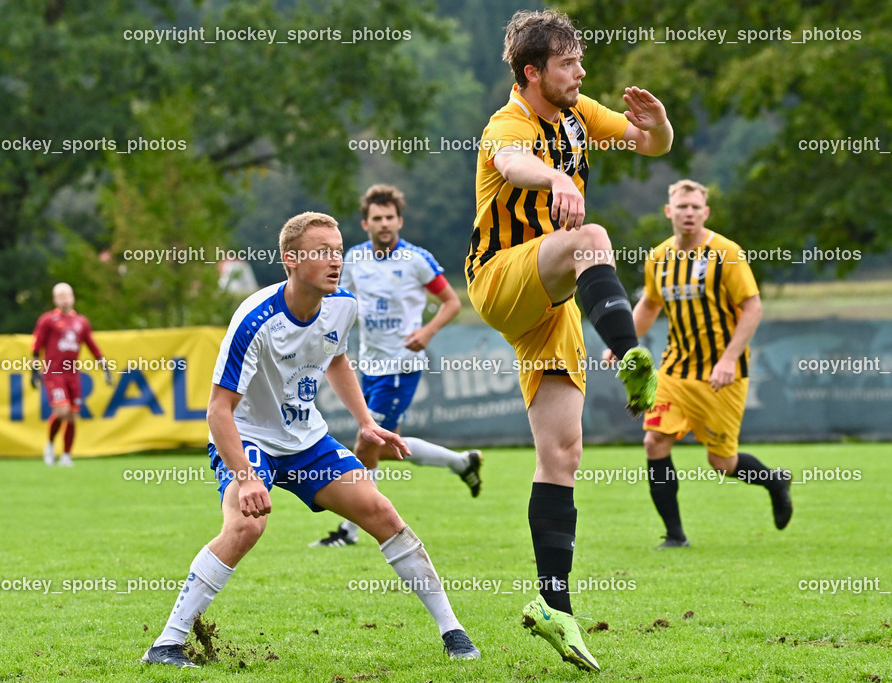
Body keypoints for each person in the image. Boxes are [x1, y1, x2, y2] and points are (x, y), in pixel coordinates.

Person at [142, 212, 480, 668]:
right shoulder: (254, 321)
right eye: (322, 251)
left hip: (306, 441)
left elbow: (336, 359)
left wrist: (363, 422)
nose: (335, 260)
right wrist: (246, 478)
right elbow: (217, 411)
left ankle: (454, 633)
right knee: (245, 526)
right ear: (291, 260)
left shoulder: (342, 305)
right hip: (249, 438)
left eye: (338, 250)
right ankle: (166, 643)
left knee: (381, 511)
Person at [465, 9, 673, 673]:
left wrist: (659, 121)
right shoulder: (510, 122)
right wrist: (556, 178)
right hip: (503, 279)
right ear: (533, 72)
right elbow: (511, 159)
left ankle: (552, 604)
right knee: (593, 239)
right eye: (568, 64)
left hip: (550, 306)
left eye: (580, 62)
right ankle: (632, 352)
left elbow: (650, 144)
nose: (581, 73)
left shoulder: (579, 111)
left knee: (562, 452)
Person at [605, 179, 792, 549]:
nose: (688, 213)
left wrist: (727, 359)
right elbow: (649, 305)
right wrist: (621, 342)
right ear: (669, 211)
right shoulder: (659, 257)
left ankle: (773, 481)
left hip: (722, 375)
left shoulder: (727, 253)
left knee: (722, 462)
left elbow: (752, 308)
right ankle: (675, 536)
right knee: (654, 442)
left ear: (705, 213)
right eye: (682, 206)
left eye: (695, 207)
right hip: (675, 370)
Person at [311, 184, 482, 549]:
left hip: (401, 366)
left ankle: (351, 530)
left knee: (365, 441)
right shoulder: (353, 260)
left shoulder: (417, 259)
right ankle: (460, 463)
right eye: (377, 219)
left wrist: (427, 331)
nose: (384, 224)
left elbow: (452, 302)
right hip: (368, 366)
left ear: (399, 221)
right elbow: (336, 299)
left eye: (390, 218)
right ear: (365, 223)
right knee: (386, 445)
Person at [30, 282, 112, 466]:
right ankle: (50, 445)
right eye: (60, 296)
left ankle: (66, 455)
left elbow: (92, 346)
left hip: (72, 374)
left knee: (73, 416)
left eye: (67, 295)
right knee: (62, 411)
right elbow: (36, 346)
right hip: (54, 372)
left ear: (73, 297)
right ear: (55, 299)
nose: (64, 300)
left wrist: (105, 368)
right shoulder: (48, 320)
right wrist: (34, 370)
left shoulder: (81, 322)